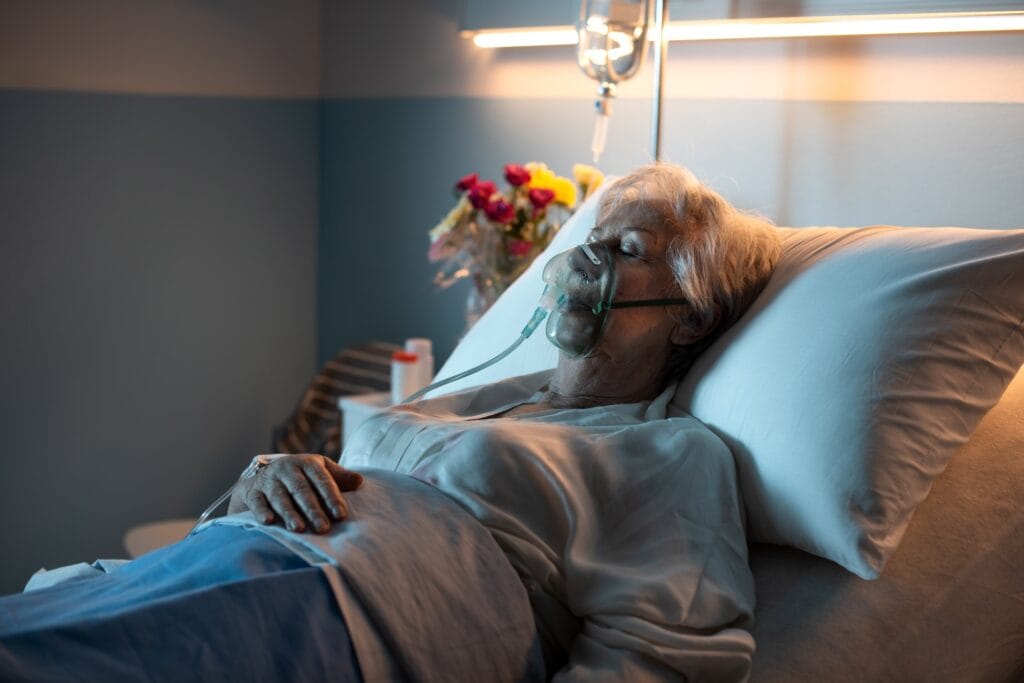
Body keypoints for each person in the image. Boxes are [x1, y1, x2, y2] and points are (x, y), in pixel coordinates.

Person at [0, 163, 781, 682]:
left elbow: (667, 653)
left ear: (690, 315)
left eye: (628, 249)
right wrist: (259, 486)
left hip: (349, 617)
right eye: (592, 240)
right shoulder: (477, 390)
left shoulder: (669, 451)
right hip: (229, 561)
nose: (585, 262)